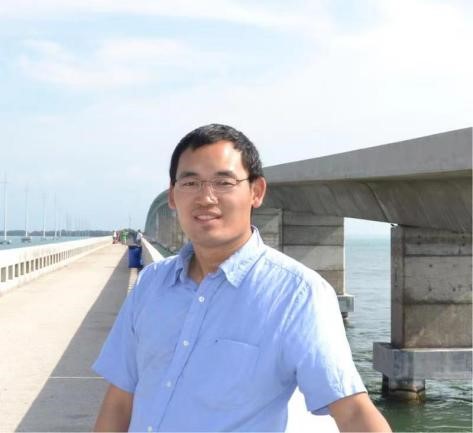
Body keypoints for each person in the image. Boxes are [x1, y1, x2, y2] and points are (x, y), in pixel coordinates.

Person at [92, 124, 392, 432]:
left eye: (223, 182)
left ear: (256, 192)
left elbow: (353, 412)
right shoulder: (151, 283)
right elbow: (120, 400)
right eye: (191, 182)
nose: (206, 197)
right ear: (172, 196)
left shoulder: (297, 294)